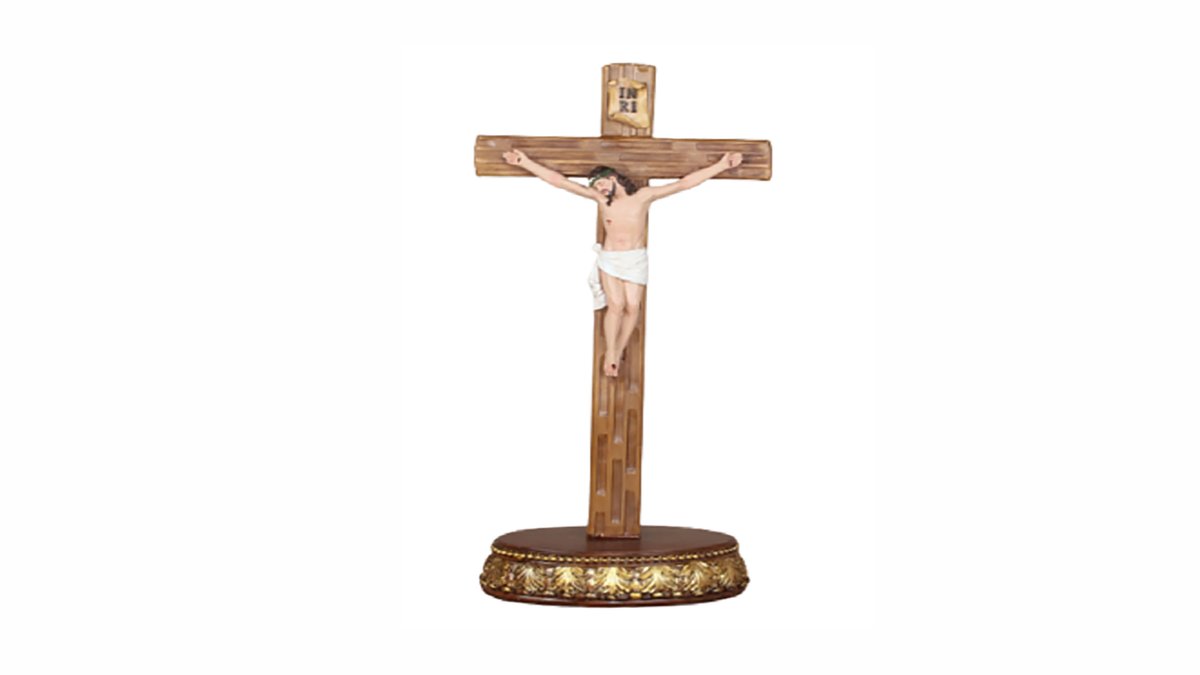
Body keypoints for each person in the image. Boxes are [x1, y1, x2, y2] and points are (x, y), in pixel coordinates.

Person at [502, 147, 743, 377]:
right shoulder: (600, 199)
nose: (599, 188)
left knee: (633, 306)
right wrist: (525, 162)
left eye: (601, 183)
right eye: (595, 186)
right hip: (611, 258)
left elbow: (684, 183)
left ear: (613, 178)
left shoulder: (643, 197)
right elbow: (561, 182)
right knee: (616, 305)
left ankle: (619, 349)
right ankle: (611, 353)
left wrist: (721, 165)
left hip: (635, 258)